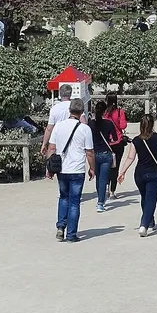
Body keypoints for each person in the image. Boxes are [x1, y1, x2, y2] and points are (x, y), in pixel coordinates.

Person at [48, 98, 94, 242]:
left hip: (62, 169)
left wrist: (49, 168)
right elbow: (89, 152)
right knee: (74, 202)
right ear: (81, 112)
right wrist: (92, 168)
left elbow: (52, 148)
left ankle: (61, 226)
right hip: (77, 169)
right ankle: (71, 234)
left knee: (63, 197)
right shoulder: (85, 129)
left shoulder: (59, 126)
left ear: (70, 110)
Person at [118, 115, 157, 237]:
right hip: (154, 172)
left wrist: (122, 172)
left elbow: (130, 157)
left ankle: (150, 220)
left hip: (139, 173)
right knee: (151, 200)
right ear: (152, 124)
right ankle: (144, 225)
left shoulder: (136, 140)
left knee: (145, 197)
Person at [90, 101, 120, 212]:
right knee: (103, 179)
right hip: (106, 153)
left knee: (98, 179)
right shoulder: (109, 123)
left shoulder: (91, 124)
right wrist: (109, 140)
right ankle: (100, 202)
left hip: (94, 153)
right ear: (105, 111)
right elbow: (115, 138)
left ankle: (100, 198)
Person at [103, 94, 127, 199]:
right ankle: (112, 191)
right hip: (118, 142)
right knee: (115, 167)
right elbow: (123, 126)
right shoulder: (119, 112)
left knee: (107, 166)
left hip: (107, 142)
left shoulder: (104, 113)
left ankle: (106, 187)